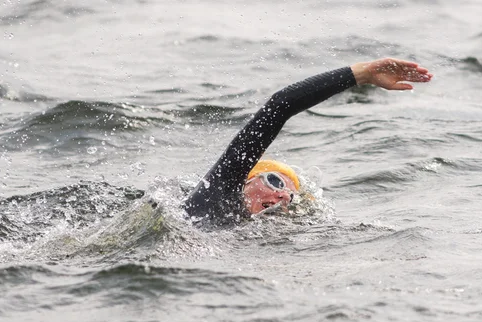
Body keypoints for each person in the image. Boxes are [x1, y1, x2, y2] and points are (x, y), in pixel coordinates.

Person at [183, 58, 432, 224]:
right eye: (275, 180)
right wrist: (361, 75)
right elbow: (279, 106)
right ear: (247, 177)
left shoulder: (263, 237)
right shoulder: (215, 195)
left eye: (291, 196)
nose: (283, 196)